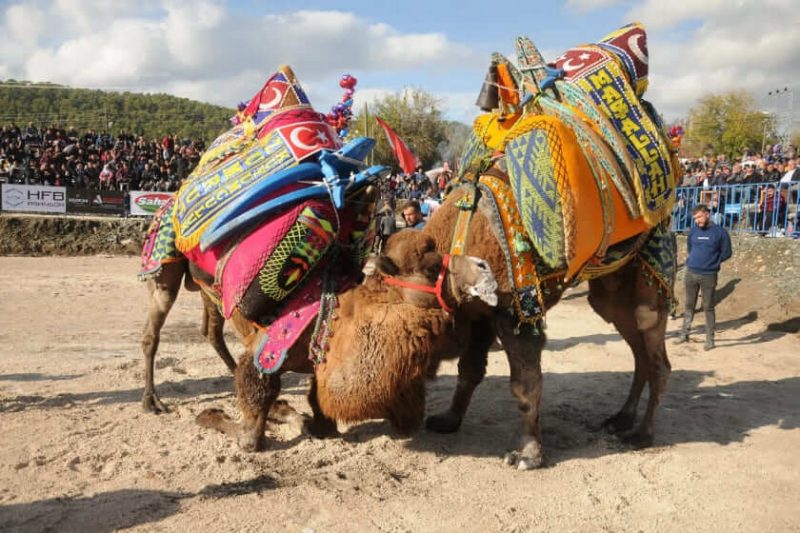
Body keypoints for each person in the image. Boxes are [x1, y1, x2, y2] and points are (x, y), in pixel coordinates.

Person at [675, 204, 732, 350]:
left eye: (699, 217)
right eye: (695, 218)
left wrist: (713, 262)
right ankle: (684, 334)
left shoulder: (720, 233)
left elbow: (727, 253)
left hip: (709, 275)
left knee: (708, 307)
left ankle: (710, 339)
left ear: (707, 214)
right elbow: (690, 249)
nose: (697, 221)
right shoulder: (693, 232)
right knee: (689, 306)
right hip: (691, 273)